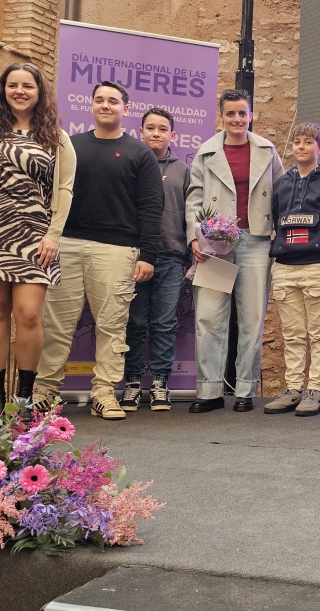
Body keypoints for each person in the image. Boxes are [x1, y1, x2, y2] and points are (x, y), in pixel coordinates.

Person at [36, 81, 163, 420]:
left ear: (125, 108)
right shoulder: (71, 147)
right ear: (91, 106)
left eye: (113, 101)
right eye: (100, 100)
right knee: (57, 326)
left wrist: (148, 254)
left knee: (112, 326)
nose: (106, 105)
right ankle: (44, 393)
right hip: (68, 246)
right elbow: (52, 197)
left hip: (118, 250)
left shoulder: (140, 153)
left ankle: (104, 393)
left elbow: (151, 207)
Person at [0, 62, 75, 417]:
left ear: (39, 92)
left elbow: (64, 189)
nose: (19, 91)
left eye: (27, 86)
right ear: (3, 90)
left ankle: (25, 399)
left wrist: (53, 235)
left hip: (36, 236)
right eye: (12, 85)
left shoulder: (55, 137)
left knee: (29, 314)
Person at [187, 89, 285, 413]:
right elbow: (193, 201)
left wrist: (280, 235)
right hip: (215, 244)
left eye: (242, 113)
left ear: (251, 115)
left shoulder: (267, 151)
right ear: (222, 116)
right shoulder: (206, 153)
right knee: (209, 317)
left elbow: (283, 193)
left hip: (256, 242)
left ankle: (245, 389)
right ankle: (210, 391)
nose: (237, 119)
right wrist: (195, 240)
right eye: (231, 114)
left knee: (252, 318)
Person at [263, 122, 320, 418]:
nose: (301, 146)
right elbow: (276, 220)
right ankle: (293, 388)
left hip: (318, 266)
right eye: (297, 142)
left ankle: (315, 390)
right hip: (284, 267)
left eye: (308, 142)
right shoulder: (282, 184)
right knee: (293, 334)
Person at [119, 109, 190, 413]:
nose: (156, 133)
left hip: (172, 257)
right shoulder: (129, 163)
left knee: (163, 323)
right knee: (134, 322)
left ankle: (160, 383)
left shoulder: (184, 170)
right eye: (150, 128)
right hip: (133, 256)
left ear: (172, 135)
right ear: (140, 132)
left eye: (163, 129)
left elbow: (192, 212)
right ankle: (132, 382)